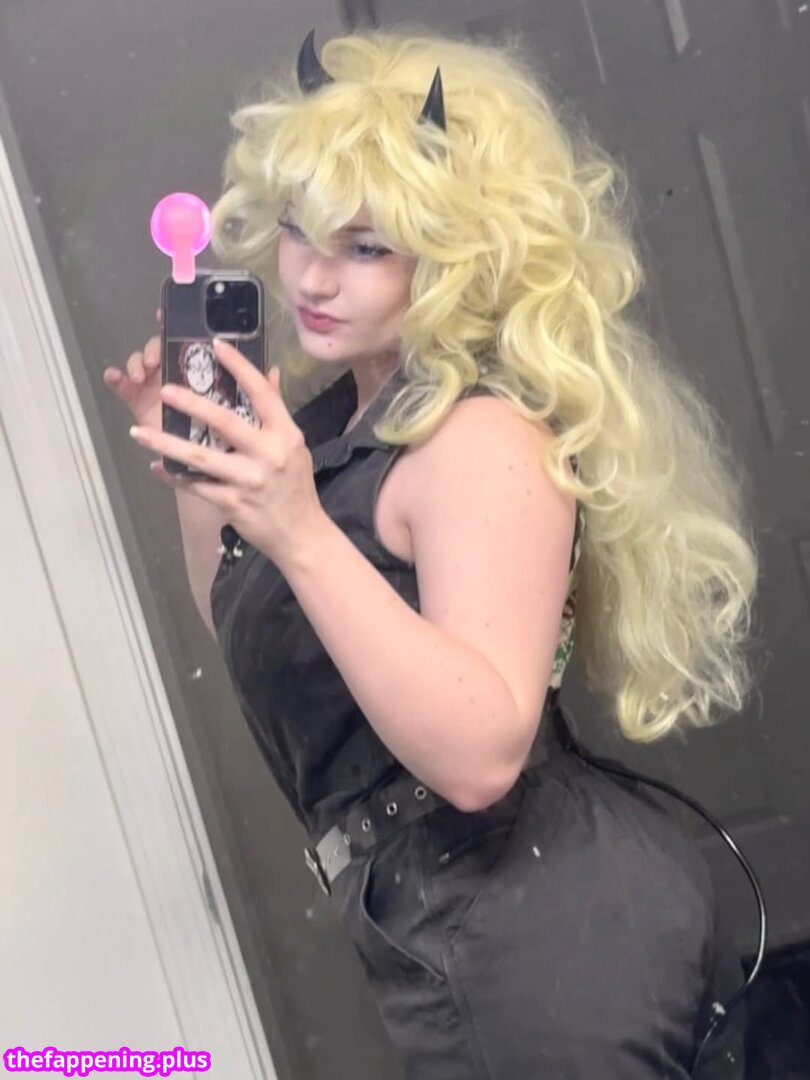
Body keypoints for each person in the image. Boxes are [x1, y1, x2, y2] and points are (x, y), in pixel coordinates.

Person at [104, 26, 760, 1078]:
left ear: (461, 253)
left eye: (368, 247)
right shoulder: (339, 424)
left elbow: (481, 757)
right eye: (299, 228)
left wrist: (296, 526)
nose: (315, 276)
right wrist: (205, 481)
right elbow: (266, 639)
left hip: (537, 937)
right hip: (451, 923)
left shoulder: (480, 437)